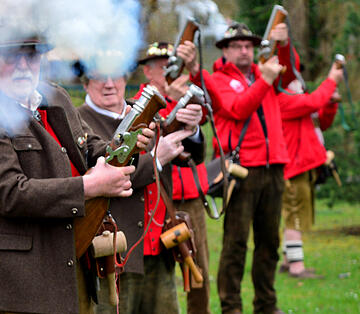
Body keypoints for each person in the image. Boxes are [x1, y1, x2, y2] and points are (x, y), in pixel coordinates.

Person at [0, 37, 155, 314]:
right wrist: (89, 186)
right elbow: (10, 193)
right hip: (20, 280)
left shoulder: (55, 97)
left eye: (31, 56)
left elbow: (90, 148)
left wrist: (127, 141)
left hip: (72, 258)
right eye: (12, 57)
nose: (24, 66)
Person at [181, 21, 293, 314]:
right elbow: (237, 109)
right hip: (242, 169)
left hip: (274, 165)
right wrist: (264, 80)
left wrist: (283, 45)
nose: (244, 51)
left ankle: (266, 304)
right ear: (225, 51)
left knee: (269, 242)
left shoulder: (266, 71)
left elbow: (292, 76)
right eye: (237, 46)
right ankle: (231, 307)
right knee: (236, 243)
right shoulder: (218, 79)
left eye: (248, 46)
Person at [77, 69, 202, 314]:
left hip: (161, 245)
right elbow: (107, 176)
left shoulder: (145, 110)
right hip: (111, 254)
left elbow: (191, 157)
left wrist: (192, 128)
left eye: (116, 75)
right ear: (85, 83)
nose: (109, 84)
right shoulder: (78, 120)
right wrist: (156, 159)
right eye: (100, 76)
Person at [138, 42, 211, 313]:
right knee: (155, 274)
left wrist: (190, 115)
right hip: (155, 198)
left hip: (190, 195)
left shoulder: (187, 96)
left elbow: (199, 144)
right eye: (163, 67)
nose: (171, 72)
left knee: (198, 268)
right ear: (147, 71)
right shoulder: (138, 102)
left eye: (174, 66)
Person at [278, 61, 342, 278]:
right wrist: (331, 81)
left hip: (302, 166)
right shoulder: (283, 99)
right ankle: (297, 267)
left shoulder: (299, 98)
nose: (297, 78)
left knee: (294, 215)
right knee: (295, 216)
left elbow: (320, 122)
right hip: (293, 169)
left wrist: (330, 104)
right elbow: (314, 102)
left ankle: (288, 261)